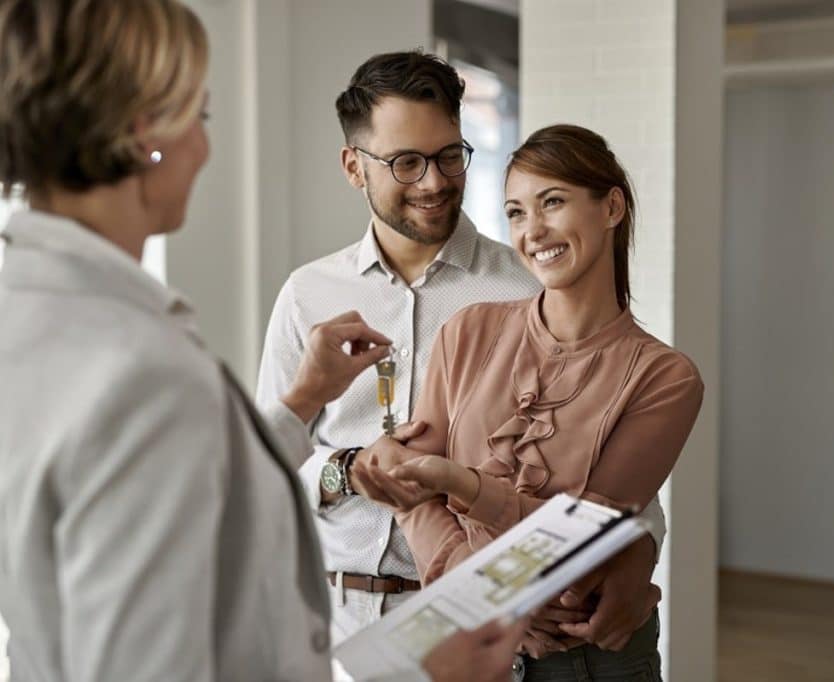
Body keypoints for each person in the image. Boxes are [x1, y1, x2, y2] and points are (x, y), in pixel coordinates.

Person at [0, 2, 524, 680]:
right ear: (142, 132)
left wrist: (302, 399)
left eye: (448, 156)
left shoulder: (35, 313)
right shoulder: (142, 367)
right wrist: (427, 676)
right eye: (200, 115)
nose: (204, 147)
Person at [255, 51, 668, 666]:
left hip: (504, 627)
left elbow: (616, 477)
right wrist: (346, 468)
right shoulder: (307, 294)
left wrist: (639, 555)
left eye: (450, 155)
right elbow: (270, 460)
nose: (434, 181)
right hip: (344, 625)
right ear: (353, 167)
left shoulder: (530, 288)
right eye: (406, 162)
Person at [353, 124, 704, 680]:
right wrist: (486, 595)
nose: (533, 230)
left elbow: (581, 540)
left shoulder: (665, 378)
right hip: (471, 644)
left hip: (587, 664)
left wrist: (462, 484)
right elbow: (413, 496)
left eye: (553, 202)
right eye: (516, 212)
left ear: (611, 207)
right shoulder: (466, 332)